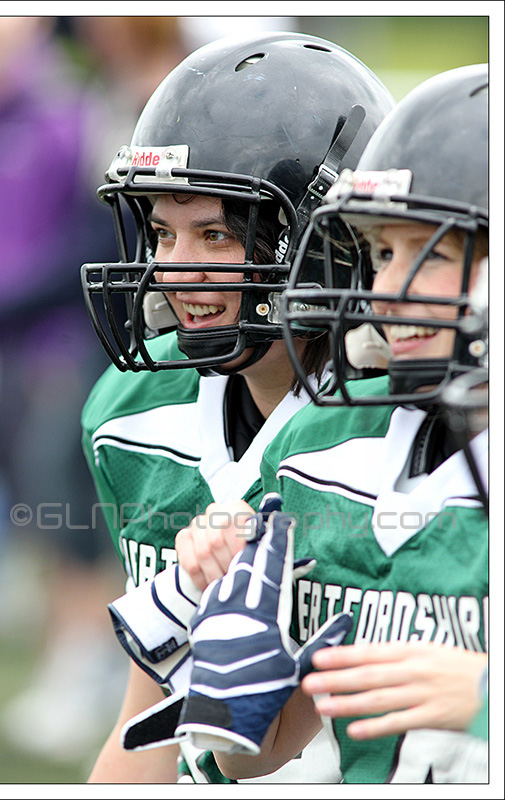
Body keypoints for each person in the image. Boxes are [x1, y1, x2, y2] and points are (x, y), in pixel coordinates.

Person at [80, 31, 395, 782]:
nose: (173, 268)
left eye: (215, 235)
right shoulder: (134, 410)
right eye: (162, 232)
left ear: (326, 247)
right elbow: (147, 722)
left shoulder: (400, 426)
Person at [174, 63, 489, 783]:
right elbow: (256, 752)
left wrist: (483, 696)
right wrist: (237, 674)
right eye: (382, 253)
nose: (385, 292)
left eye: (430, 254)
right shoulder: (326, 444)